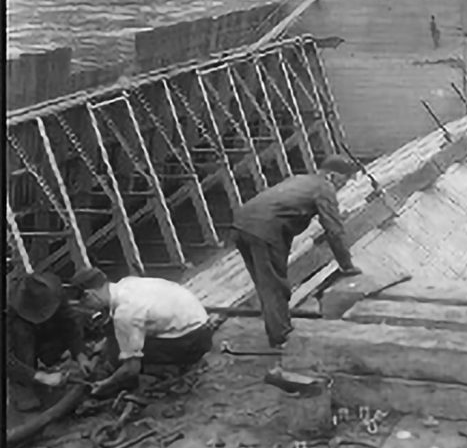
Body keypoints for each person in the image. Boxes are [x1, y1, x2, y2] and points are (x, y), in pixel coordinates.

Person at [231, 155, 362, 350]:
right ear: (332, 176)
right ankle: (281, 339)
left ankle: (277, 330)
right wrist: (347, 265)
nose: (344, 185)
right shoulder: (324, 188)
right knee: (275, 286)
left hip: (241, 225)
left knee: (265, 283)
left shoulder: (299, 179)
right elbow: (334, 230)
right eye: (345, 179)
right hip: (265, 229)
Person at [70, 267, 214, 398]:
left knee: (118, 357)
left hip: (192, 342)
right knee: (116, 336)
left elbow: (131, 368)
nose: (89, 309)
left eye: (85, 304)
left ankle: (169, 368)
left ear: (89, 295)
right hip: (201, 322)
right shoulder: (127, 283)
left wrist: (106, 383)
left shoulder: (125, 313)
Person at [6, 272, 90, 411]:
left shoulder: (53, 292)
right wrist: (41, 377)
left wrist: (80, 354)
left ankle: (50, 361)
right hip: (20, 332)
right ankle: (22, 384)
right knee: (21, 333)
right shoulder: (7, 309)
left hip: (46, 334)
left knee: (77, 317)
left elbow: (70, 324)